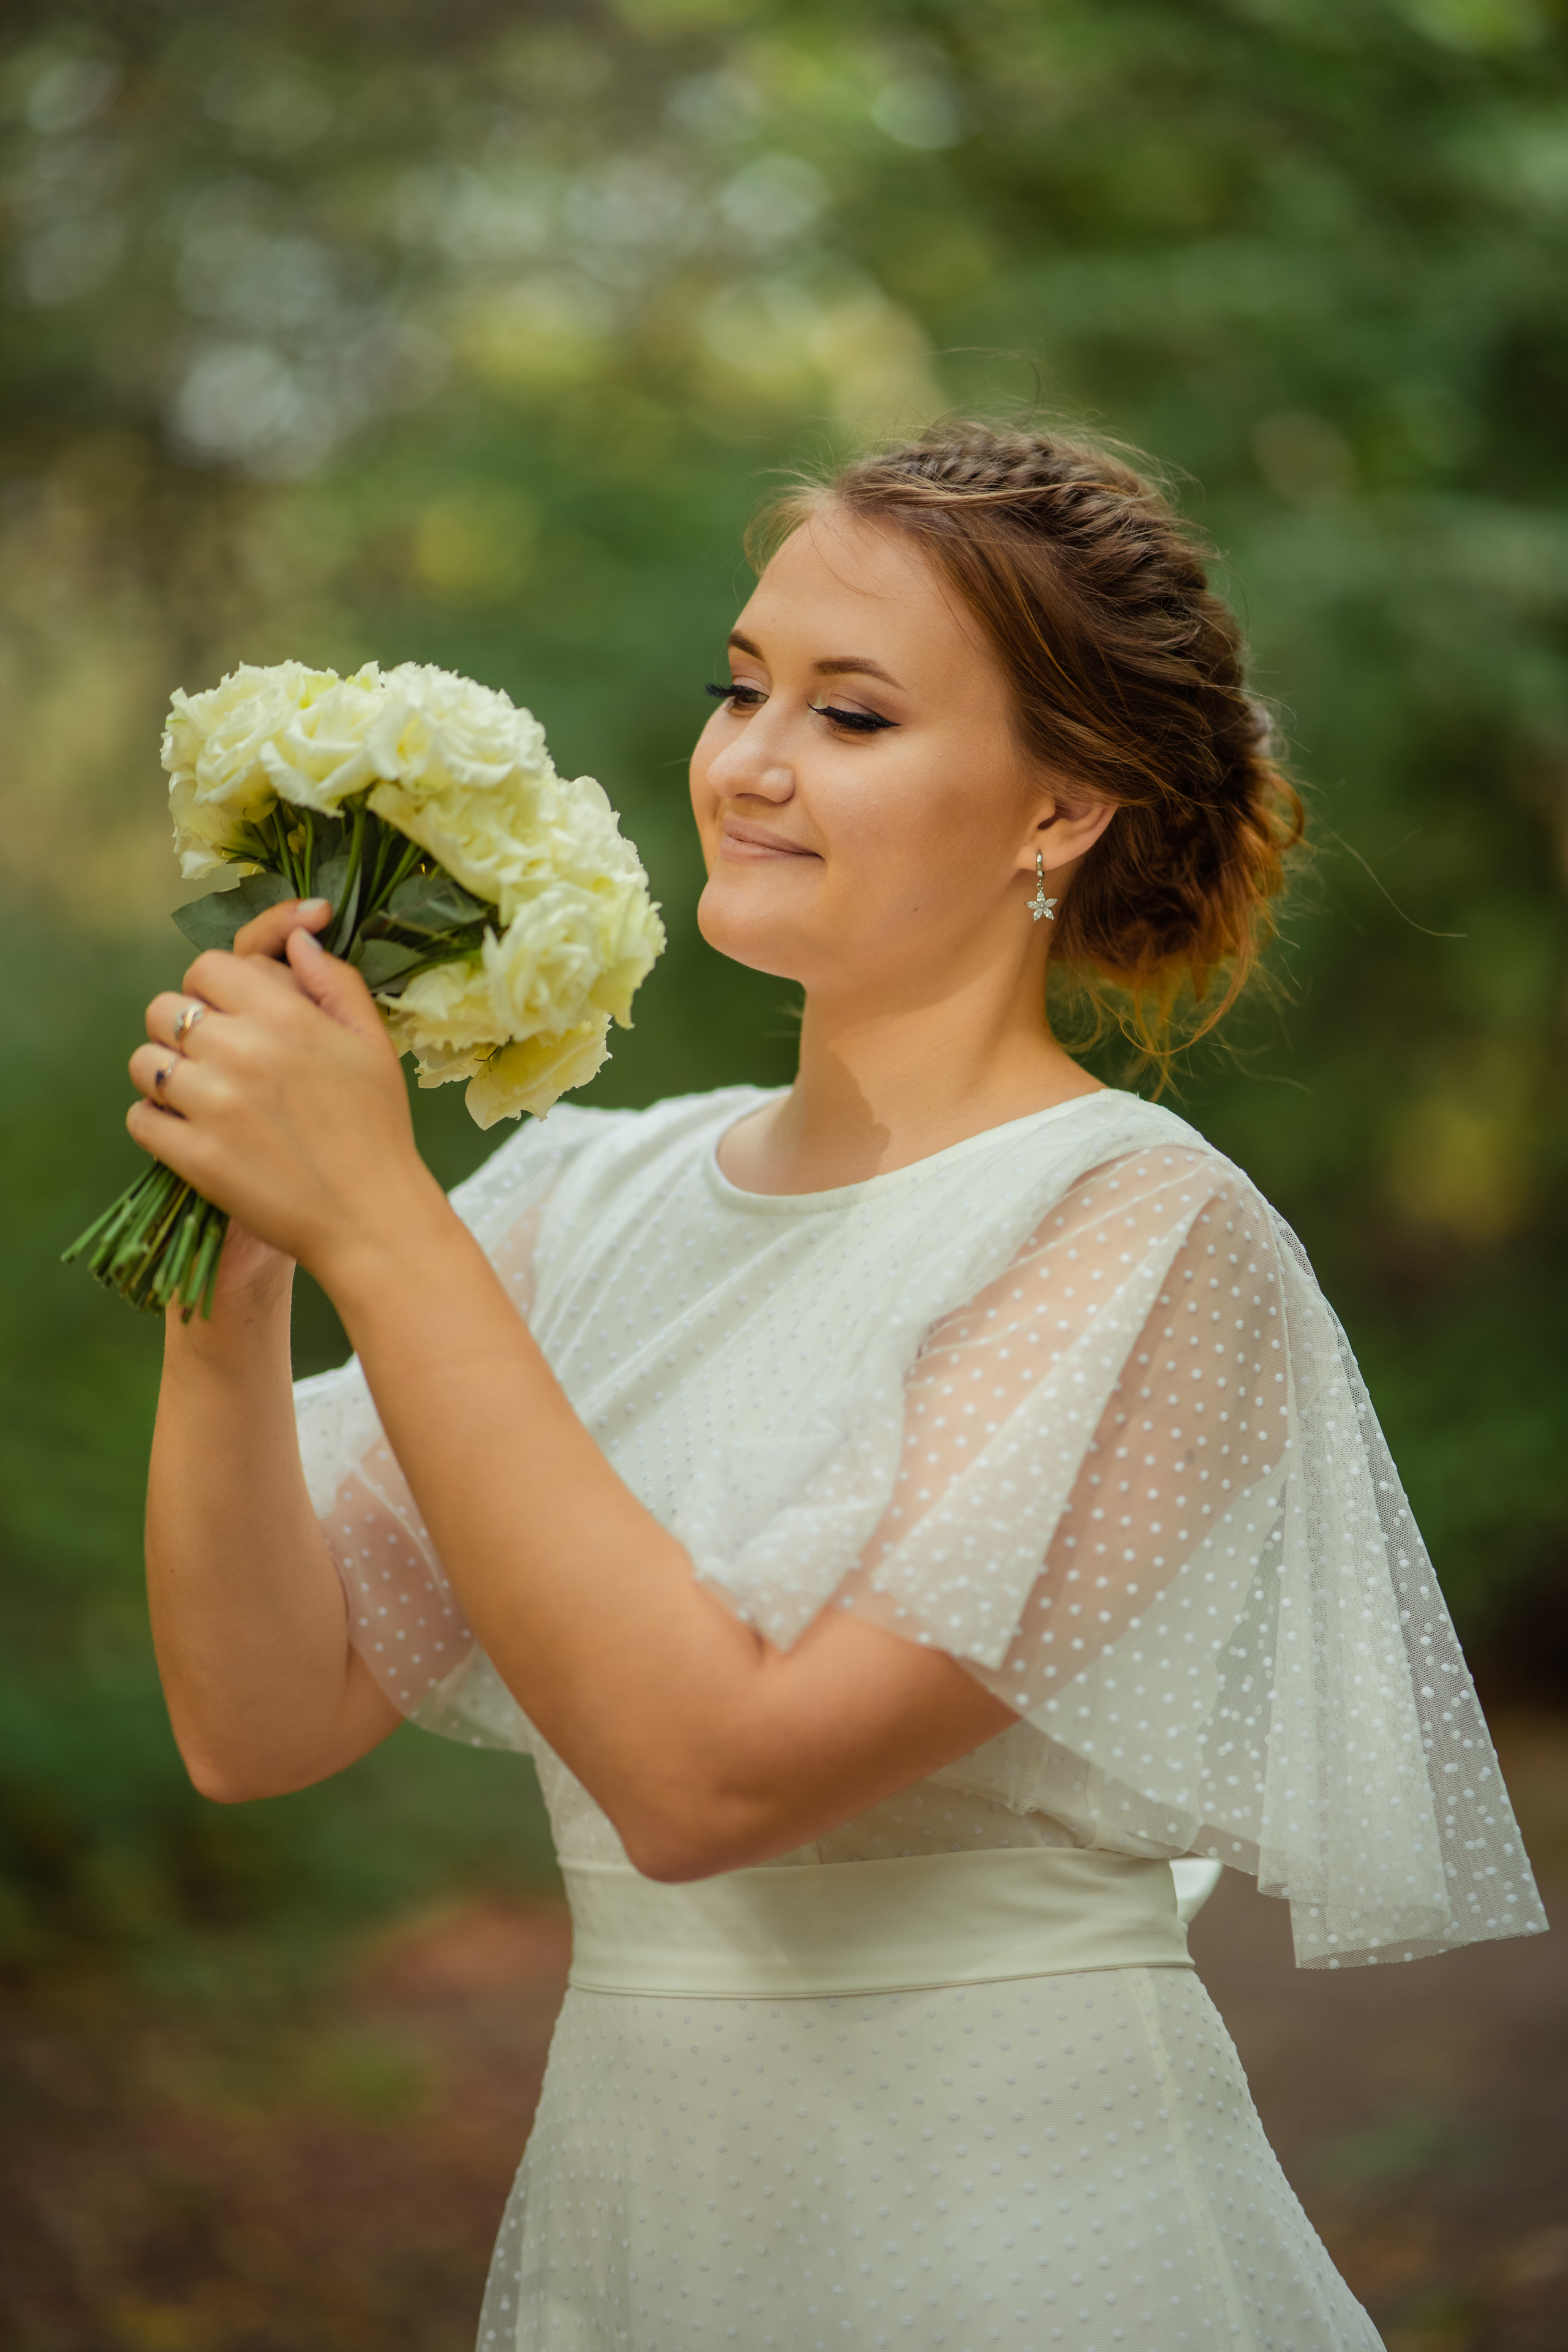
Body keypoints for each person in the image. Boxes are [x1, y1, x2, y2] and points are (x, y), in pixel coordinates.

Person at [132, 423, 1544, 2352]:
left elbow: (714, 1777)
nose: (750, 765)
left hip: (1024, 2249)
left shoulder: (1141, 1239)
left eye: (854, 717)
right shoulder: (580, 1191)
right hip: (643, 2236)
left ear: (1060, 811)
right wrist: (243, 1274)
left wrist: (380, 1222)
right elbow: (259, 1717)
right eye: (743, 688)